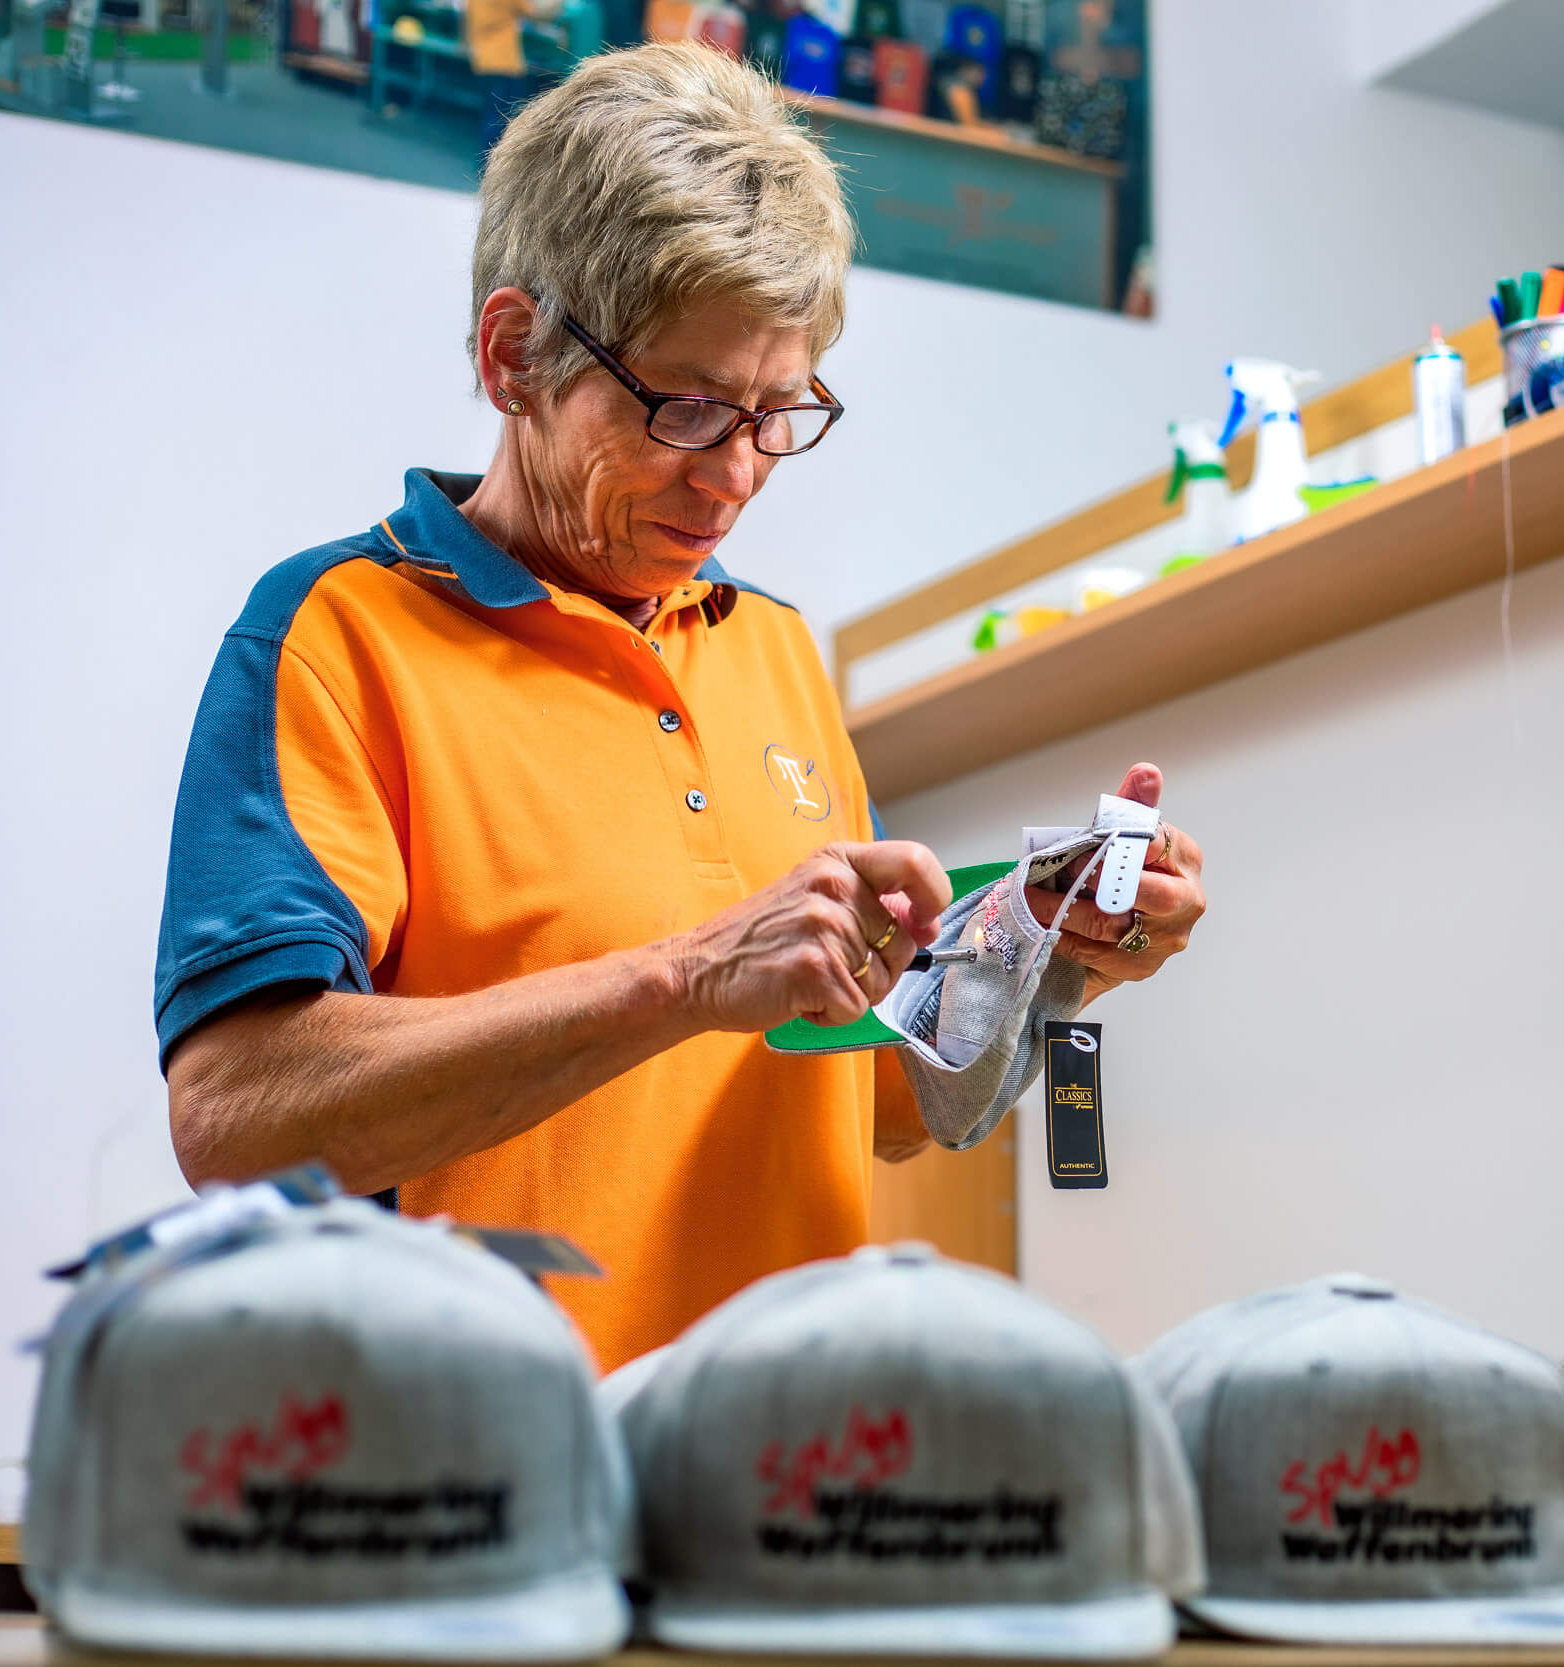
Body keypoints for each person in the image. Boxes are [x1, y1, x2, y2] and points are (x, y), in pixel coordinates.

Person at [154, 42, 1206, 1372]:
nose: (738, 476)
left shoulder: (773, 649)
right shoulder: (336, 635)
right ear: (513, 354)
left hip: (788, 1450)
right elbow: (237, 1116)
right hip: (485, 1459)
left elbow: (873, 1094)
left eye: (779, 411)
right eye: (690, 409)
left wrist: (1050, 946)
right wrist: (684, 977)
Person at [464, 0, 561, 163]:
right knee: (502, 118)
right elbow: (538, 15)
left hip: (482, 59)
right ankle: (493, 164)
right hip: (504, 63)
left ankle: (485, 162)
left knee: (491, 113)